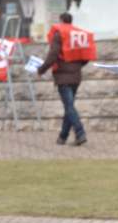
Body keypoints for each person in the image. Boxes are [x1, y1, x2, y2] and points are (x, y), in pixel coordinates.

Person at [36, 12, 94, 146]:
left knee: (69, 107)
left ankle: (80, 133)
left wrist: (41, 69)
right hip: (76, 76)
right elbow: (86, 56)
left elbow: (53, 55)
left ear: (61, 21)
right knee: (69, 107)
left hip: (63, 76)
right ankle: (62, 137)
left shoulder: (59, 34)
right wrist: (77, 66)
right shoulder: (78, 35)